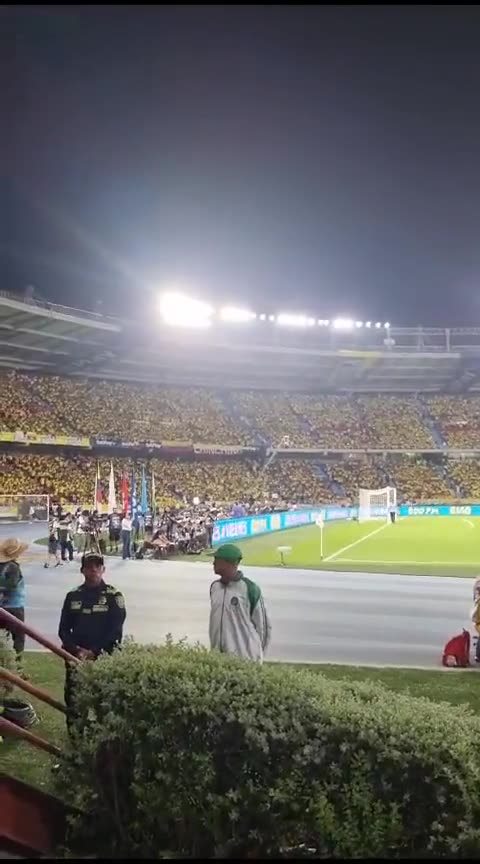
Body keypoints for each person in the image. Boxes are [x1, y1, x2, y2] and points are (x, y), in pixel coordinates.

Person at [58, 551, 126, 732]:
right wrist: (77, 651)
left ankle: (102, 741)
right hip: (75, 659)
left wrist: (94, 652)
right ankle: (75, 739)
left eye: (97, 566)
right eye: (89, 566)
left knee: (104, 701)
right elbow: (63, 630)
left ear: (103, 569)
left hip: (104, 658)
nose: (93, 570)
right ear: (82, 570)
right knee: (73, 701)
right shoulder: (72, 596)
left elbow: (115, 632)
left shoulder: (114, 596)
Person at [209, 543, 271, 663]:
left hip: (244, 660)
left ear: (228, 563)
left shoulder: (250, 589)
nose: (213, 563)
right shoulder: (214, 587)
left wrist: (257, 655)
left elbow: (263, 627)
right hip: (218, 659)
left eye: (217, 560)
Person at [0, 537, 29, 674]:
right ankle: (17, 668)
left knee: (3, 638)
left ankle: (4, 665)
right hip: (15, 607)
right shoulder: (14, 568)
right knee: (18, 638)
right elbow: (11, 585)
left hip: (2, 608)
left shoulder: (1, 567)